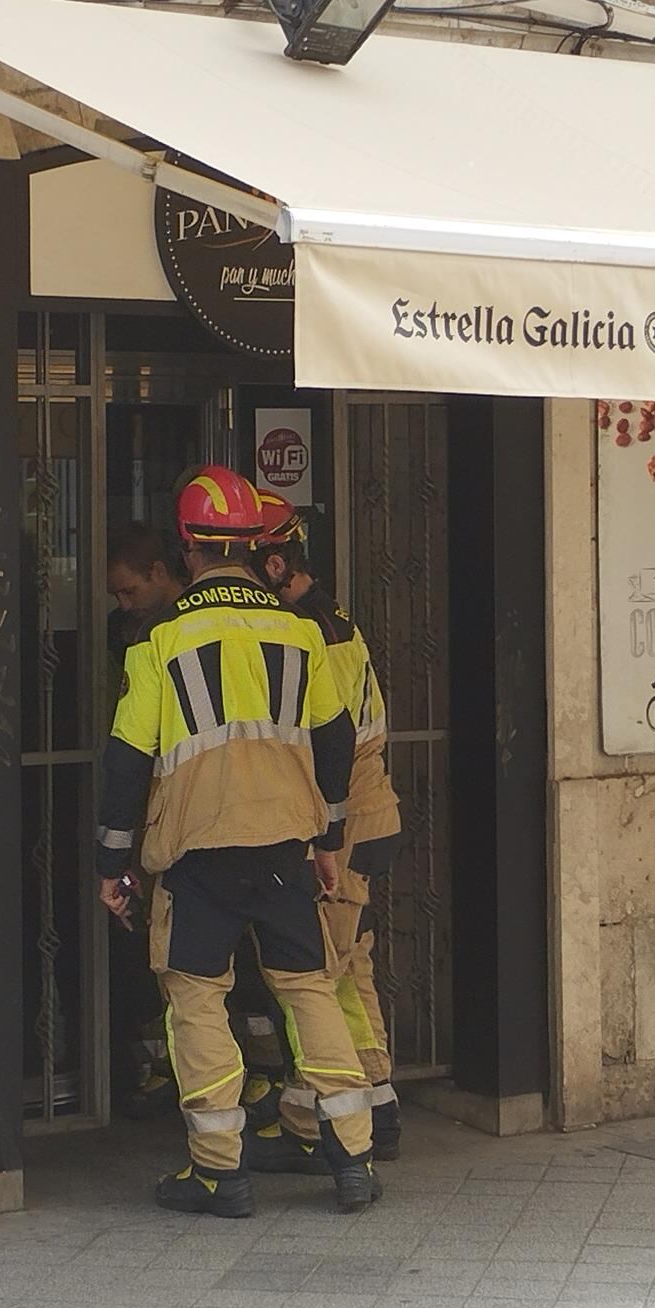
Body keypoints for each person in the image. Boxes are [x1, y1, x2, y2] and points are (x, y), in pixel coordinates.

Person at [96, 466, 381, 1217]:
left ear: (188, 548)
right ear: (253, 545)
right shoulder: (298, 632)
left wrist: (111, 861)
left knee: (196, 1000)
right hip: (287, 847)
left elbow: (126, 759)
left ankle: (221, 1172)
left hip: (199, 855)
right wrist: (330, 835)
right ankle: (352, 1156)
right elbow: (334, 738)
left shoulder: (162, 642)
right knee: (310, 990)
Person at [243, 492, 407, 1172]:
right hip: (367, 818)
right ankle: (380, 1102)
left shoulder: (315, 633)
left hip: (345, 823)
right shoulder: (334, 623)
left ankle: (311, 1121)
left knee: (316, 975)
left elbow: (330, 745)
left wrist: (323, 835)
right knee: (348, 969)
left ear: (277, 564)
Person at [103, 522, 186, 1116]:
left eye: (130, 591)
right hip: (159, 819)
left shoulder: (172, 636)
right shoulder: (131, 632)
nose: (122, 605)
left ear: (161, 572)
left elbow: (133, 749)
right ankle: (160, 1062)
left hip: (179, 816)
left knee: (191, 963)